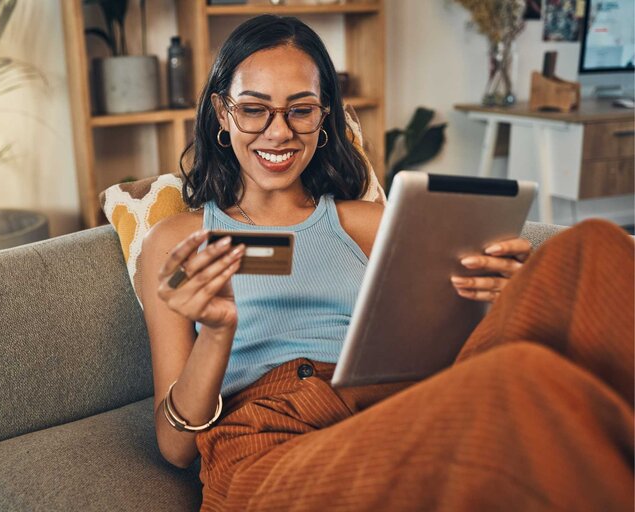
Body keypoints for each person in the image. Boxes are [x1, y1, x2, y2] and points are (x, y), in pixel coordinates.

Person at [139, 15, 634, 512]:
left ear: (323, 116)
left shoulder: (371, 223)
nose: (278, 132)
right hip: (269, 440)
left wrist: (511, 296)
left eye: (300, 110)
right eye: (253, 110)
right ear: (222, 114)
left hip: (383, 403)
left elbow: (438, 343)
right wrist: (219, 333)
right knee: (516, 376)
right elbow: (176, 448)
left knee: (596, 247)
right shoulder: (178, 240)